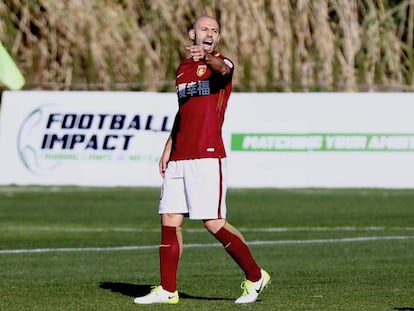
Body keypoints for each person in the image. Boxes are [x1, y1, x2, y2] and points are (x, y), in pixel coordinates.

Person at [133, 15, 270, 305]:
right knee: (169, 220)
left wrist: (207, 57)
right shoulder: (183, 69)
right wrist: (169, 144)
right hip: (179, 155)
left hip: (207, 156)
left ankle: (256, 277)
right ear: (191, 32)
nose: (209, 33)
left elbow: (221, 68)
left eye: (214, 30)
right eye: (204, 29)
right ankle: (168, 290)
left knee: (214, 223)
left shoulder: (222, 64)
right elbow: (183, 111)